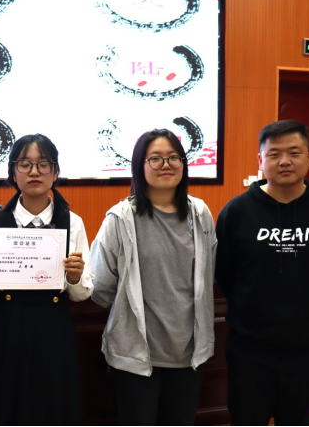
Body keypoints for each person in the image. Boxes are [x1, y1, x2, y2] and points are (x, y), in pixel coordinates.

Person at [216, 120, 309, 426]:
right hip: (249, 349)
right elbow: (225, 272)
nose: (284, 161)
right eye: (274, 154)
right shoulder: (236, 212)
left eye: (294, 152)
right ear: (260, 160)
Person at [91, 129, 217, 426]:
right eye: (156, 158)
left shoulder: (200, 214)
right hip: (135, 356)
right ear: (140, 165)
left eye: (174, 158)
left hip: (189, 353)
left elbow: (209, 274)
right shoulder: (120, 218)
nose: (166, 165)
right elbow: (101, 289)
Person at [0, 134, 93, 425]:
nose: (34, 172)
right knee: (9, 404)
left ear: (55, 172)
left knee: (53, 404)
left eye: (43, 164)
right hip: (8, 326)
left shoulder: (72, 222)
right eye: (24, 164)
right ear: (13, 173)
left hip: (54, 327)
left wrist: (75, 278)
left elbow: (82, 295)